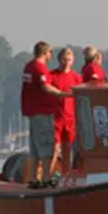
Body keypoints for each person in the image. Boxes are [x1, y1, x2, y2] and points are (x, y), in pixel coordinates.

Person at [21, 41, 72, 188]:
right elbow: (45, 86)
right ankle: (45, 178)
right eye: (50, 52)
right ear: (45, 53)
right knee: (46, 148)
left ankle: (32, 178)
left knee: (35, 149)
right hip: (42, 112)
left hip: (32, 112)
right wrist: (62, 94)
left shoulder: (28, 66)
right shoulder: (40, 68)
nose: (50, 55)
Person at [49, 47, 82, 175]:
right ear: (59, 60)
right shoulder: (52, 76)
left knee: (67, 149)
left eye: (69, 59)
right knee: (54, 148)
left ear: (73, 61)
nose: (66, 62)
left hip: (70, 118)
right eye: (64, 59)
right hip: (55, 117)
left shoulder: (76, 78)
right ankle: (48, 174)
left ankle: (65, 175)